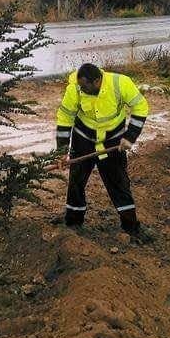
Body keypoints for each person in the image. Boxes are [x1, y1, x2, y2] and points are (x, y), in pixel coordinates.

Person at [55, 63, 150, 242]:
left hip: (113, 140)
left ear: (97, 80)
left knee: (119, 182)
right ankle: (73, 223)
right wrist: (61, 151)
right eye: (80, 86)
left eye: (85, 87)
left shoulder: (121, 83)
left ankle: (131, 226)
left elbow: (141, 107)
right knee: (76, 181)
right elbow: (65, 118)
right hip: (84, 138)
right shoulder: (74, 88)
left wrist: (129, 137)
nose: (81, 90)